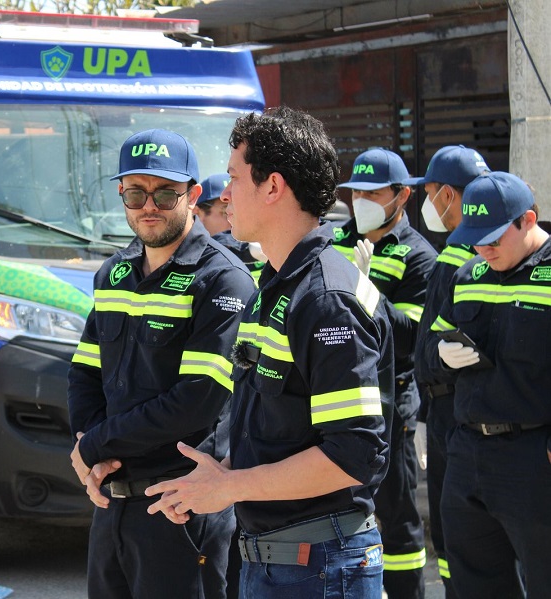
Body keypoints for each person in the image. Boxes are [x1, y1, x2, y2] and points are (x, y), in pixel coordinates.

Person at [146, 106, 395, 599]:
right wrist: (212, 484)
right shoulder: (278, 287)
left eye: (235, 178)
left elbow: (353, 455)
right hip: (282, 561)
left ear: (274, 186)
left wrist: (231, 487)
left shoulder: (326, 300)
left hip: (319, 569)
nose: (223, 194)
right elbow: (278, 430)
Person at [67, 128, 255, 599]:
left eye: (165, 193)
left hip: (181, 508)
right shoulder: (115, 273)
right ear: (121, 196)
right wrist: (90, 452)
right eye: (136, 193)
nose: (148, 205)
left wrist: (95, 444)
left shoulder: (224, 281)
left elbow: (195, 402)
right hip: (112, 503)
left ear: (193, 196)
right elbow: (85, 373)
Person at [427, 172, 551, 598]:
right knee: (475, 583)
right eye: (476, 239)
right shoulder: (468, 275)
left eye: (495, 238)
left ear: (528, 220)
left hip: (534, 458)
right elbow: (429, 350)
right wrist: (441, 357)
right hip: (468, 457)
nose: (485, 248)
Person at [331, 148, 437, 599]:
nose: (361, 200)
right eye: (355, 192)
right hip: (335, 396)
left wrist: (366, 290)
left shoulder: (419, 257)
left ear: (401, 197)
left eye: (373, 192)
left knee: (395, 517)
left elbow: (412, 335)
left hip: (390, 403)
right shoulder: (336, 240)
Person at [406, 144, 490, 597]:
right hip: (468, 413)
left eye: (431, 191)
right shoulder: (497, 250)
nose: (428, 201)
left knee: (458, 537)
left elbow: (425, 350)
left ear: (449, 197)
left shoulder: (454, 256)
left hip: (449, 415)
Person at [194, 173, 267, 285]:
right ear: (198, 214)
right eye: (225, 212)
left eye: (242, 210)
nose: (236, 219)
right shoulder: (190, 259)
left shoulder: (266, 251)